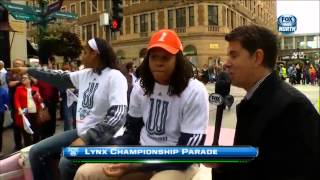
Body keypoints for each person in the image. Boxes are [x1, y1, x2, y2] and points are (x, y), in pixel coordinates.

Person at [74, 29, 209, 180]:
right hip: (140, 154)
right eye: (153, 57)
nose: (158, 62)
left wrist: (136, 165)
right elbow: (132, 132)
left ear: (178, 60)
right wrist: (116, 147)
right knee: (85, 173)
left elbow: (186, 153)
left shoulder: (195, 91)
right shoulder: (141, 87)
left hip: (176, 163)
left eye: (165, 58)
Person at [205, 25, 320, 180]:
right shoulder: (252, 100)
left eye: (234, 55)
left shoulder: (293, 108)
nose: (226, 63)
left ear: (257, 57)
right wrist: (222, 163)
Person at [10, 37, 128, 180]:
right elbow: (57, 77)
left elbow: (118, 116)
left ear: (95, 54)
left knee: (65, 162)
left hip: (103, 137)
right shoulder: (85, 74)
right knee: (35, 152)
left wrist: (86, 138)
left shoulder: (114, 77)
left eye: (85, 52)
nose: (82, 56)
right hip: (81, 131)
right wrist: (29, 70)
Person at [14, 74, 42, 146]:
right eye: (22, 78)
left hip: (35, 112)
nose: (23, 79)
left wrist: (38, 97)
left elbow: (40, 101)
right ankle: (28, 147)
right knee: (26, 131)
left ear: (29, 80)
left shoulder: (36, 88)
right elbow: (16, 100)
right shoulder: (19, 88)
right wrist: (19, 109)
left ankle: (36, 147)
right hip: (25, 112)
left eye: (25, 78)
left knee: (36, 131)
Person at [7, 59, 25, 151]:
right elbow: (10, 84)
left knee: (27, 123)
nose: (17, 66)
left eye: (19, 64)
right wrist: (20, 82)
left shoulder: (25, 72)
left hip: (26, 102)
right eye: (16, 64)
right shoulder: (10, 73)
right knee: (16, 125)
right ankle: (18, 145)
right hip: (15, 103)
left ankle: (27, 143)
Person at [0, 78, 9, 157]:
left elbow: (6, 103)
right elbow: (6, 104)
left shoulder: (3, 90)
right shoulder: (3, 90)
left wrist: (3, 108)